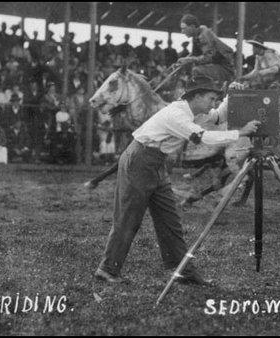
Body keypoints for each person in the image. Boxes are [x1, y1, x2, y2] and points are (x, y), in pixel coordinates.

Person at [95, 76, 260, 284]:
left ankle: (182, 270)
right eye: (211, 98)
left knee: (169, 219)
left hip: (156, 162)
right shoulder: (177, 114)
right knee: (128, 218)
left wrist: (231, 95)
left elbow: (218, 117)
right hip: (139, 160)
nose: (213, 103)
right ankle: (107, 269)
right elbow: (203, 138)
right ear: (197, 96)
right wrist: (240, 133)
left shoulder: (193, 110)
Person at [178, 14, 235, 86]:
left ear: (192, 26)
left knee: (196, 70)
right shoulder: (196, 34)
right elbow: (195, 54)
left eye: (184, 28)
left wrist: (188, 59)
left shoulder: (203, 36)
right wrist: (184, 61)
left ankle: (204, 93)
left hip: (225, 69)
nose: (182, 32)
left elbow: (208, 58)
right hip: (217, 66)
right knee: (191, 68)